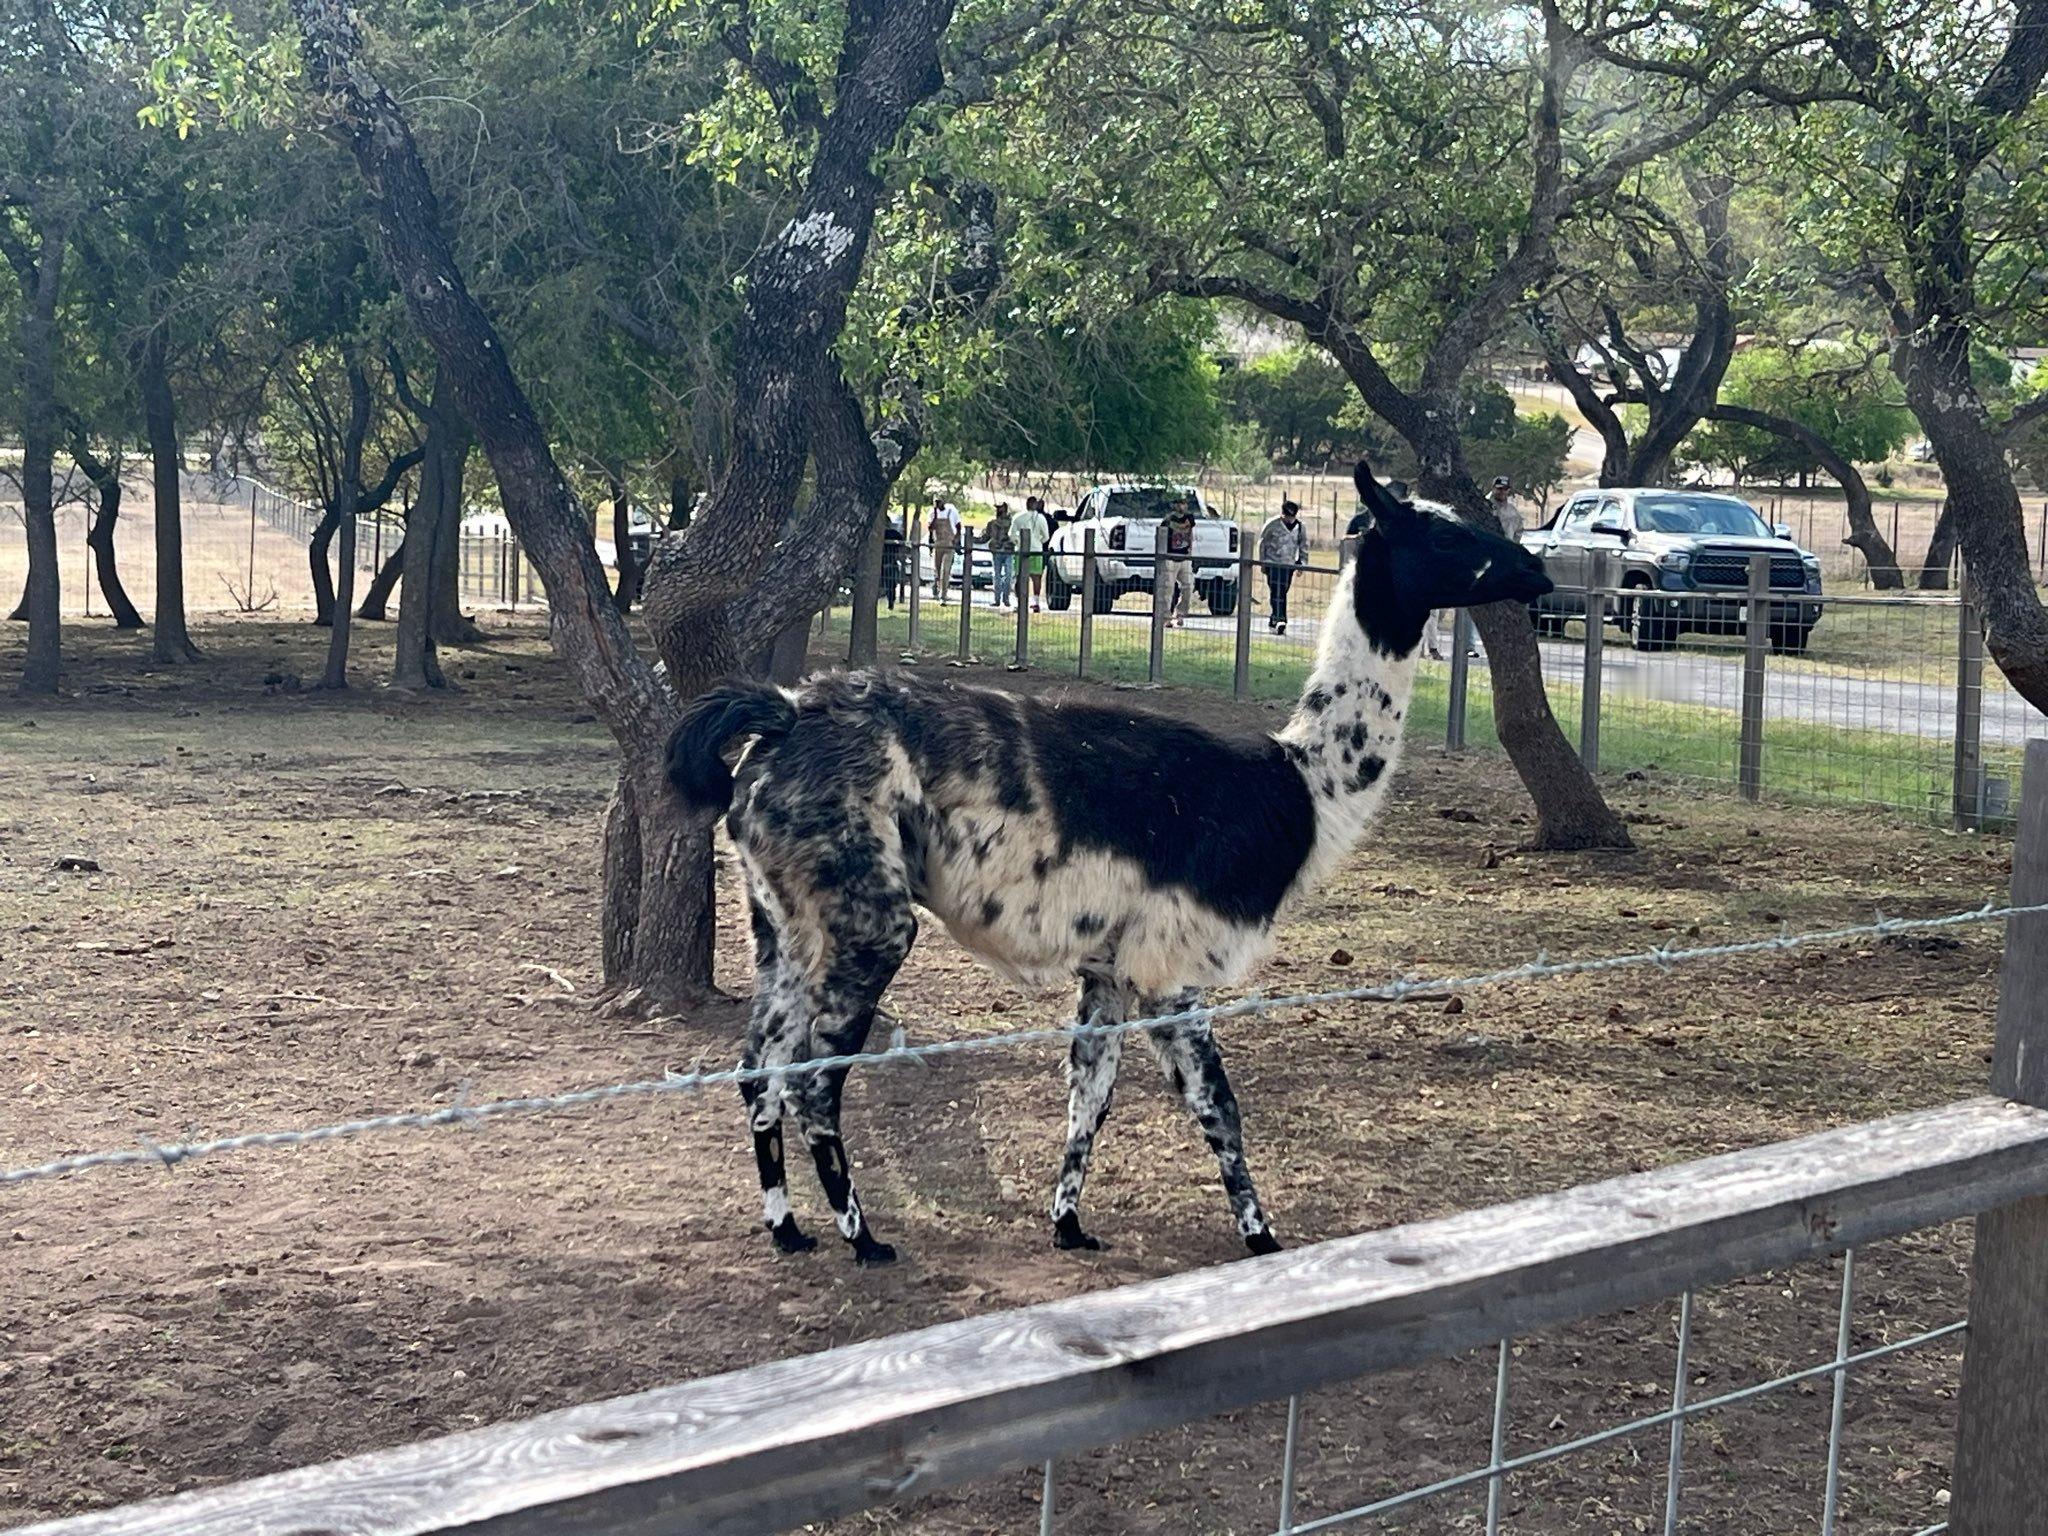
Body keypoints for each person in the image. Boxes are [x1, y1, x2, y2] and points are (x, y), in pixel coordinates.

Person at [1258, 500, 1310, 634]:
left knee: (1283, 591)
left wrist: (1302, 564)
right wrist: (1263, 562)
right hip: (1273, 563)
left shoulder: (1300, 527)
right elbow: (1262, 543)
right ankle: (1280, 620)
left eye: (1292, 516)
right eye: (1287, 516)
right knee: (1277, 591)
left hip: (1289, 565)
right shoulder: (1272, 524)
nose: (1289, 519)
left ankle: (1274, 618)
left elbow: (1303, 546)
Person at [1163, 498, 1198, 628]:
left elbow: (1190, 532)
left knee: (1188, 586)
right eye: (1178, 503)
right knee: (1168, 589)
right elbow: (1166, 531)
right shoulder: (1169, 519)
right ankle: (1166, 617)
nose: (1181, 506)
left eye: (1183, 503)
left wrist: (1190, 553)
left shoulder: (1189, 518)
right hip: (1170, 558)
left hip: (1185, 557)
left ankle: (1181, 614)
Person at [1013, 494, 1052, 611]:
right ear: (1035, 505)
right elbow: (1046, 537)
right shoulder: (1041, 518)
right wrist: (1037, 542)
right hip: (1036, 550)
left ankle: (1020, 602)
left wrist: (1018, 542)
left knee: (1020, 577)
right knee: (1036, 577)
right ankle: (1035, 602)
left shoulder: (1018, 517)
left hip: (1021, 551)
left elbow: (1011, 534)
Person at [929, 495, 961, 604]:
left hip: (949, 544)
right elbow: (931, 527)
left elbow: (958, 526)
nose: (938, 504)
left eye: (939, 502)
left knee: (945, 570)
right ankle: (937, 588)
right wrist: (935, 513)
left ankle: (944, 595)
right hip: (938, 543)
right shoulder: (932, 513)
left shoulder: (951, 511)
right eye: (936, 502)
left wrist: (956, 539)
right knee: (937, 570)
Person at [984, 503, 1016, 608]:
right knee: (996, 576)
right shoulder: (992, 524)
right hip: (996, 552)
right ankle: (997, 599)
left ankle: (1005, 598)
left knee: (1008, 575)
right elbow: (985, 537)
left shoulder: (1012, 523)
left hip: (1008, 552)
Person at [882, 515, 907, 610]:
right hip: (889, 562)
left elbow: (902, 543)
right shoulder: (893, 533)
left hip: (889, 562)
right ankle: (890, 602)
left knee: (890, 583)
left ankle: (890, 602)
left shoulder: (892, 534)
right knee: (890, 583)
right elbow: (902, 542)